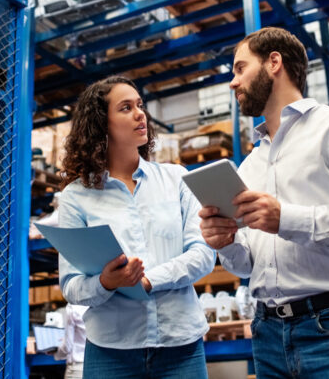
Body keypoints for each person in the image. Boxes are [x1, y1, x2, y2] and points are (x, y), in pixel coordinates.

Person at [198, 27, 329, 378]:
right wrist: (227, 242)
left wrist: (286, 218)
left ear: (274, 62)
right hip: (268, 334)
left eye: (239, 69)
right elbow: (248, 266)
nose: (232, 83)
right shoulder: (250, 166)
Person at [58, 76, 215, 378]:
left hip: (180, 346)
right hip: (111, 352)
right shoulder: (76, 197)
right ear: (101, 124)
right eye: (126, 108)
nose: (140, 113)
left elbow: (202, 254)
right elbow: (71, 285)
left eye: (140, 105)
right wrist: (106, 282)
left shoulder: (176, 179)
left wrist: (147, 281)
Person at [53, 304, 88, 379]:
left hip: (77, 369)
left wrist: (56, 352)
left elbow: (67, 347)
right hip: (97, 366)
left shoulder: (73, 307)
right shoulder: (102, 305)